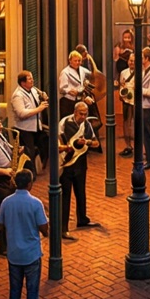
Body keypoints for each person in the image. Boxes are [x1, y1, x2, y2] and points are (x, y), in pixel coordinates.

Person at [0, 170, 47, 299]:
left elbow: (0, 225)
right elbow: (44, 229)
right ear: (29, 184)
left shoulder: (6, 202)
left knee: (14, 291)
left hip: (14, 254)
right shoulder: (35, 203)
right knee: (32, 292)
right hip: (31, 254)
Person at [56, 99, 98, 232]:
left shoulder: (87, 125)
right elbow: (57, 143)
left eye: (85, 114)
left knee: (81, 192)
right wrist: (66, 148)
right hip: (67, 162)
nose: (83, 117)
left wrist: (87, 142)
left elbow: (96, 143)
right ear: (75, 112)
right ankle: (63, 227)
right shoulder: (64, 122)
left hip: (80, 163)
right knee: (66, 195)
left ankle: (82, 219)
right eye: (81, 114)